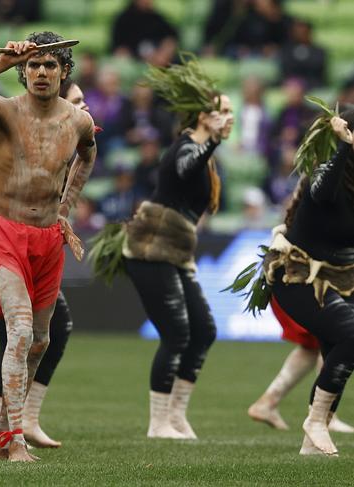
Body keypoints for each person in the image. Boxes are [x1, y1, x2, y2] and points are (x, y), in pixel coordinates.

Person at [0, 31, 96, 462]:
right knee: (21, 332)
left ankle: (2, 435)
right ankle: (13, 440)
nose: (41, 72)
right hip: (5, 233)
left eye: (49, 65)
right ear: (24, 71)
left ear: (64, 72)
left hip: (47, 240)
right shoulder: (4, 110)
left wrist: (65, 210)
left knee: (41, 341)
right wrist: (0, 64)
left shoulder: (78, 120)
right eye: (33, 65)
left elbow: (88, 152)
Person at [121, 58, 234, 439]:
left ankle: (177, 415)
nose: (227, 118)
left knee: (204, 330)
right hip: (152, 247)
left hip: (178, 252)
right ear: (203, 117)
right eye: (221, 112)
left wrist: (214, 145)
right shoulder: (185, 146)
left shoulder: (207, 155)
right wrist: (214, 141)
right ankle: (157, 423)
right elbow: (185, 169)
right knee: (177, 335)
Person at [259, 110, 354, 455]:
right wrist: (344, 147)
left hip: (339, 278)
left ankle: (313, 441)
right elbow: (323, 193)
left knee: (336, 350)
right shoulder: (327, 170)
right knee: (351, 335)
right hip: (296, 275)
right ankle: (314, 421)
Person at [248, 296, 354, 433]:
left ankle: (267, 404)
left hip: (291, 289)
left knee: (312, 345)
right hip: (299, 288)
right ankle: (325, 417)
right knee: (335, 336)